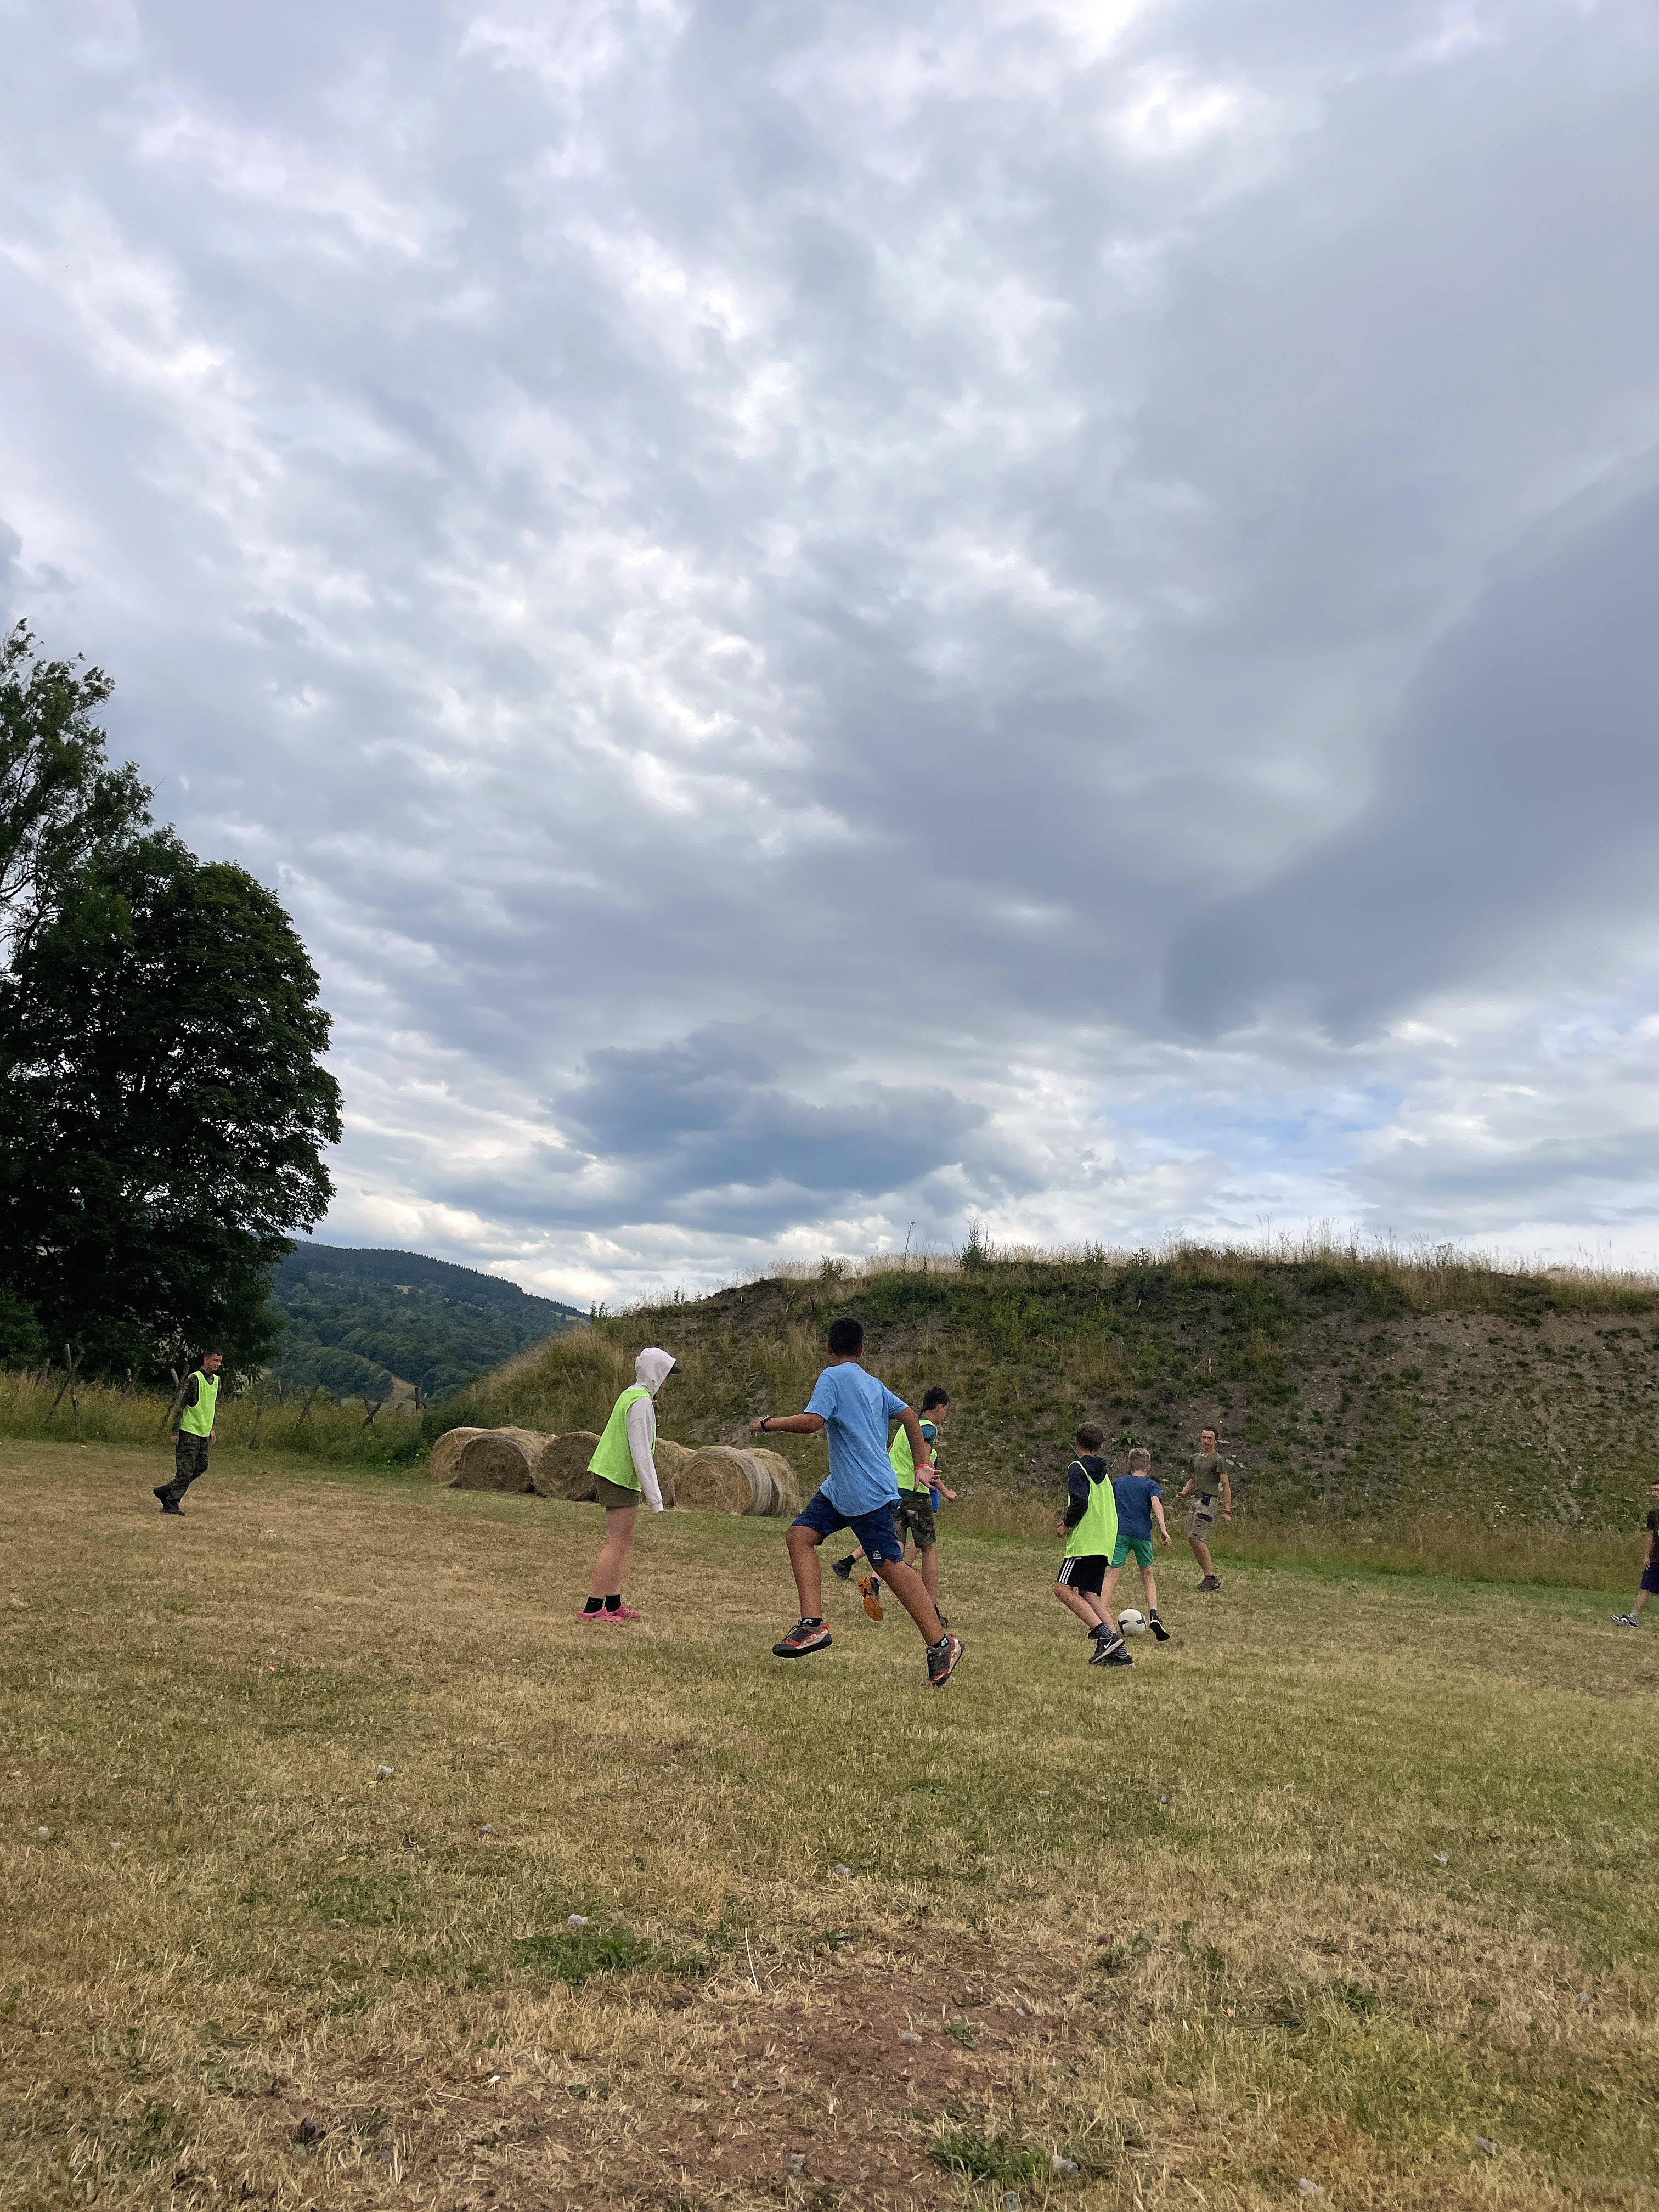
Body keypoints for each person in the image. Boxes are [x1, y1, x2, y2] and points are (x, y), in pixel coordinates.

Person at [752, 1317, 964, 1686]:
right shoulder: (873, 1384)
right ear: (862, 1350)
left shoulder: (832, 1377)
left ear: (829, 1348)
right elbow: (909, 1416)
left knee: (890, 1567)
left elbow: (813, 1422)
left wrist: (768, 1423)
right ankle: (812, 1625)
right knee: (799, 1536)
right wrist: (921, 1463)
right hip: (842, 1489)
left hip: (866, 1493)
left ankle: (942, 1644)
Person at [829, 1384, 957, 1622]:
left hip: (894, 1493)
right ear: (940, 1408)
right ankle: (931, 1608)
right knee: (928, 1548)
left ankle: (874, 1582)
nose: (944, 1415)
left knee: (896, 1544)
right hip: (916, 1493)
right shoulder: (928, 1428)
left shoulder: (904, 1429)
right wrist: (944, 1490)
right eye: (946, 1410)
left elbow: (887, 1454)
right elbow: (926, 1460)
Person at [578, 1347, 678, 1623]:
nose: (667, 1381)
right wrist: (656, 1499)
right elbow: (641, 1453)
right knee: (617, 1544)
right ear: (657, 1374)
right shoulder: (641, 1403)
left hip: (615, 1474)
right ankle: (592, 1607)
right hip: (618, 1476)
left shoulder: (631, 1394)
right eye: (667, 1374)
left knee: (621, 1542)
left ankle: (613, 1605)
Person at [1052, 1423, 1132, 1667]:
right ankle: (1120, 1654)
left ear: (1077, 1442)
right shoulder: (1105, 1476)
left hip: (1085, 1543)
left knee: (1062, 1590)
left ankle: (1105, 1636)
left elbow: (1080, 1503)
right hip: (1105, 1542)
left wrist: (1066, 1525)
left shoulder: (1077, 1468)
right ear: (1098, 1446)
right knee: (1089, 1595)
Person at [1100, 1446, 1172, 1639]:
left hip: (1121, 1534)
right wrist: (1163, 1528)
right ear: (1149, 1467)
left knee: (1113, 1573)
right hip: (1142, 1535)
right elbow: (1156, 1503)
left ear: (1128, 1465)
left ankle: (1100, 1616)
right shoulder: (1151, 1485)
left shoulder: (1118, 1483)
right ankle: (1154, 1615)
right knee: (1147, 1574)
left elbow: (1107, 1506)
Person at [154, 1350, 224, 1514]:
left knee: (202, 1465)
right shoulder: (194, 1379)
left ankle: (167, 1490)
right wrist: (174, 1431)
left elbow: (211, 1406)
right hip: (189, 1431)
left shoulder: (216, 1381)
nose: (218, 1364)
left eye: (220, 1361)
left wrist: (212, 1427)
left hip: (203, 1432)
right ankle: (172, 1502)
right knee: (185, 1470)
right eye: (215, 1360)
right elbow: (181, 1406)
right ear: (206, 1360)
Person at [1176, 1425, 1233, 1590]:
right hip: (1196, 1500)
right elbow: (1193, 1479)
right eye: (1204, 1438)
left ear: (1216, 1441)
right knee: (1192, 1538)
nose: (1206, 1441)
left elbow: (1225, 1484)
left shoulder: (1218, 1460)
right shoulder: (1196, 1458)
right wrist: (1184, 1493)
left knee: (1198, 1539)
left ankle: (1211, 1577)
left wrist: (1227, 1510)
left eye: (1210, 1438)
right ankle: (1207, 1577)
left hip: (1208, 1501)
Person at [1612, 1480, 1659, 1627]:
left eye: (1657, 1490)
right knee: (1645, 1587)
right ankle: (1634, 1618)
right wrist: (1647, 1555)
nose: (1654, 1493)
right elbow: (1651, 1536)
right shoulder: (1654, 1514)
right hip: (1656, 1557)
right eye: (1653, 1490)